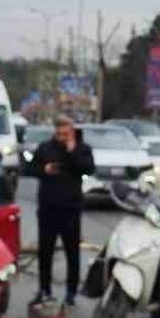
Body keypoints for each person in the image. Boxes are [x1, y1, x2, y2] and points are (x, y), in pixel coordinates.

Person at [24, 114, 95, 307]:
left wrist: (72, 153)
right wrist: (44, 169)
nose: (62, 137)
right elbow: (28, 169)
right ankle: (44, 289)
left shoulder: (82, 149)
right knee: (45, 252)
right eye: (59, 134)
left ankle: (71, 292)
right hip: (48, 207)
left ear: (72, 131)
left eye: (66, 133)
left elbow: (89, 169)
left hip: (71, 208)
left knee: (72, 252)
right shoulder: (45, 148)